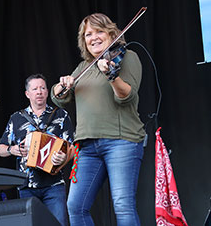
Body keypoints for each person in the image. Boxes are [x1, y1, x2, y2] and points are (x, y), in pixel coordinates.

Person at [51, 13, 146, 226]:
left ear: (111, 32)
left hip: (121, 141)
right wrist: (61, 86)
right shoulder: (83, 67)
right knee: (75, 207)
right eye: (88, 34)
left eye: (99, 31)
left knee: (122, 206)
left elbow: (126, 97)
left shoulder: (128, 57)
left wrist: (111, 76)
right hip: (87, 146)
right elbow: (59, 99)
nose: (93, 37)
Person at [0, 74, 74, 226]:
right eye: (35, 89)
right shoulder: (16, 118)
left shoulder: (61, 115)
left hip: (54, 184)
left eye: (43, 88)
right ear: (27, 94)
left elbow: (72, 147)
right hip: (26, 186)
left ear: (47, 92)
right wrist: (12, 150)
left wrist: (63, 159)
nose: (39, 92)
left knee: (59, 224)